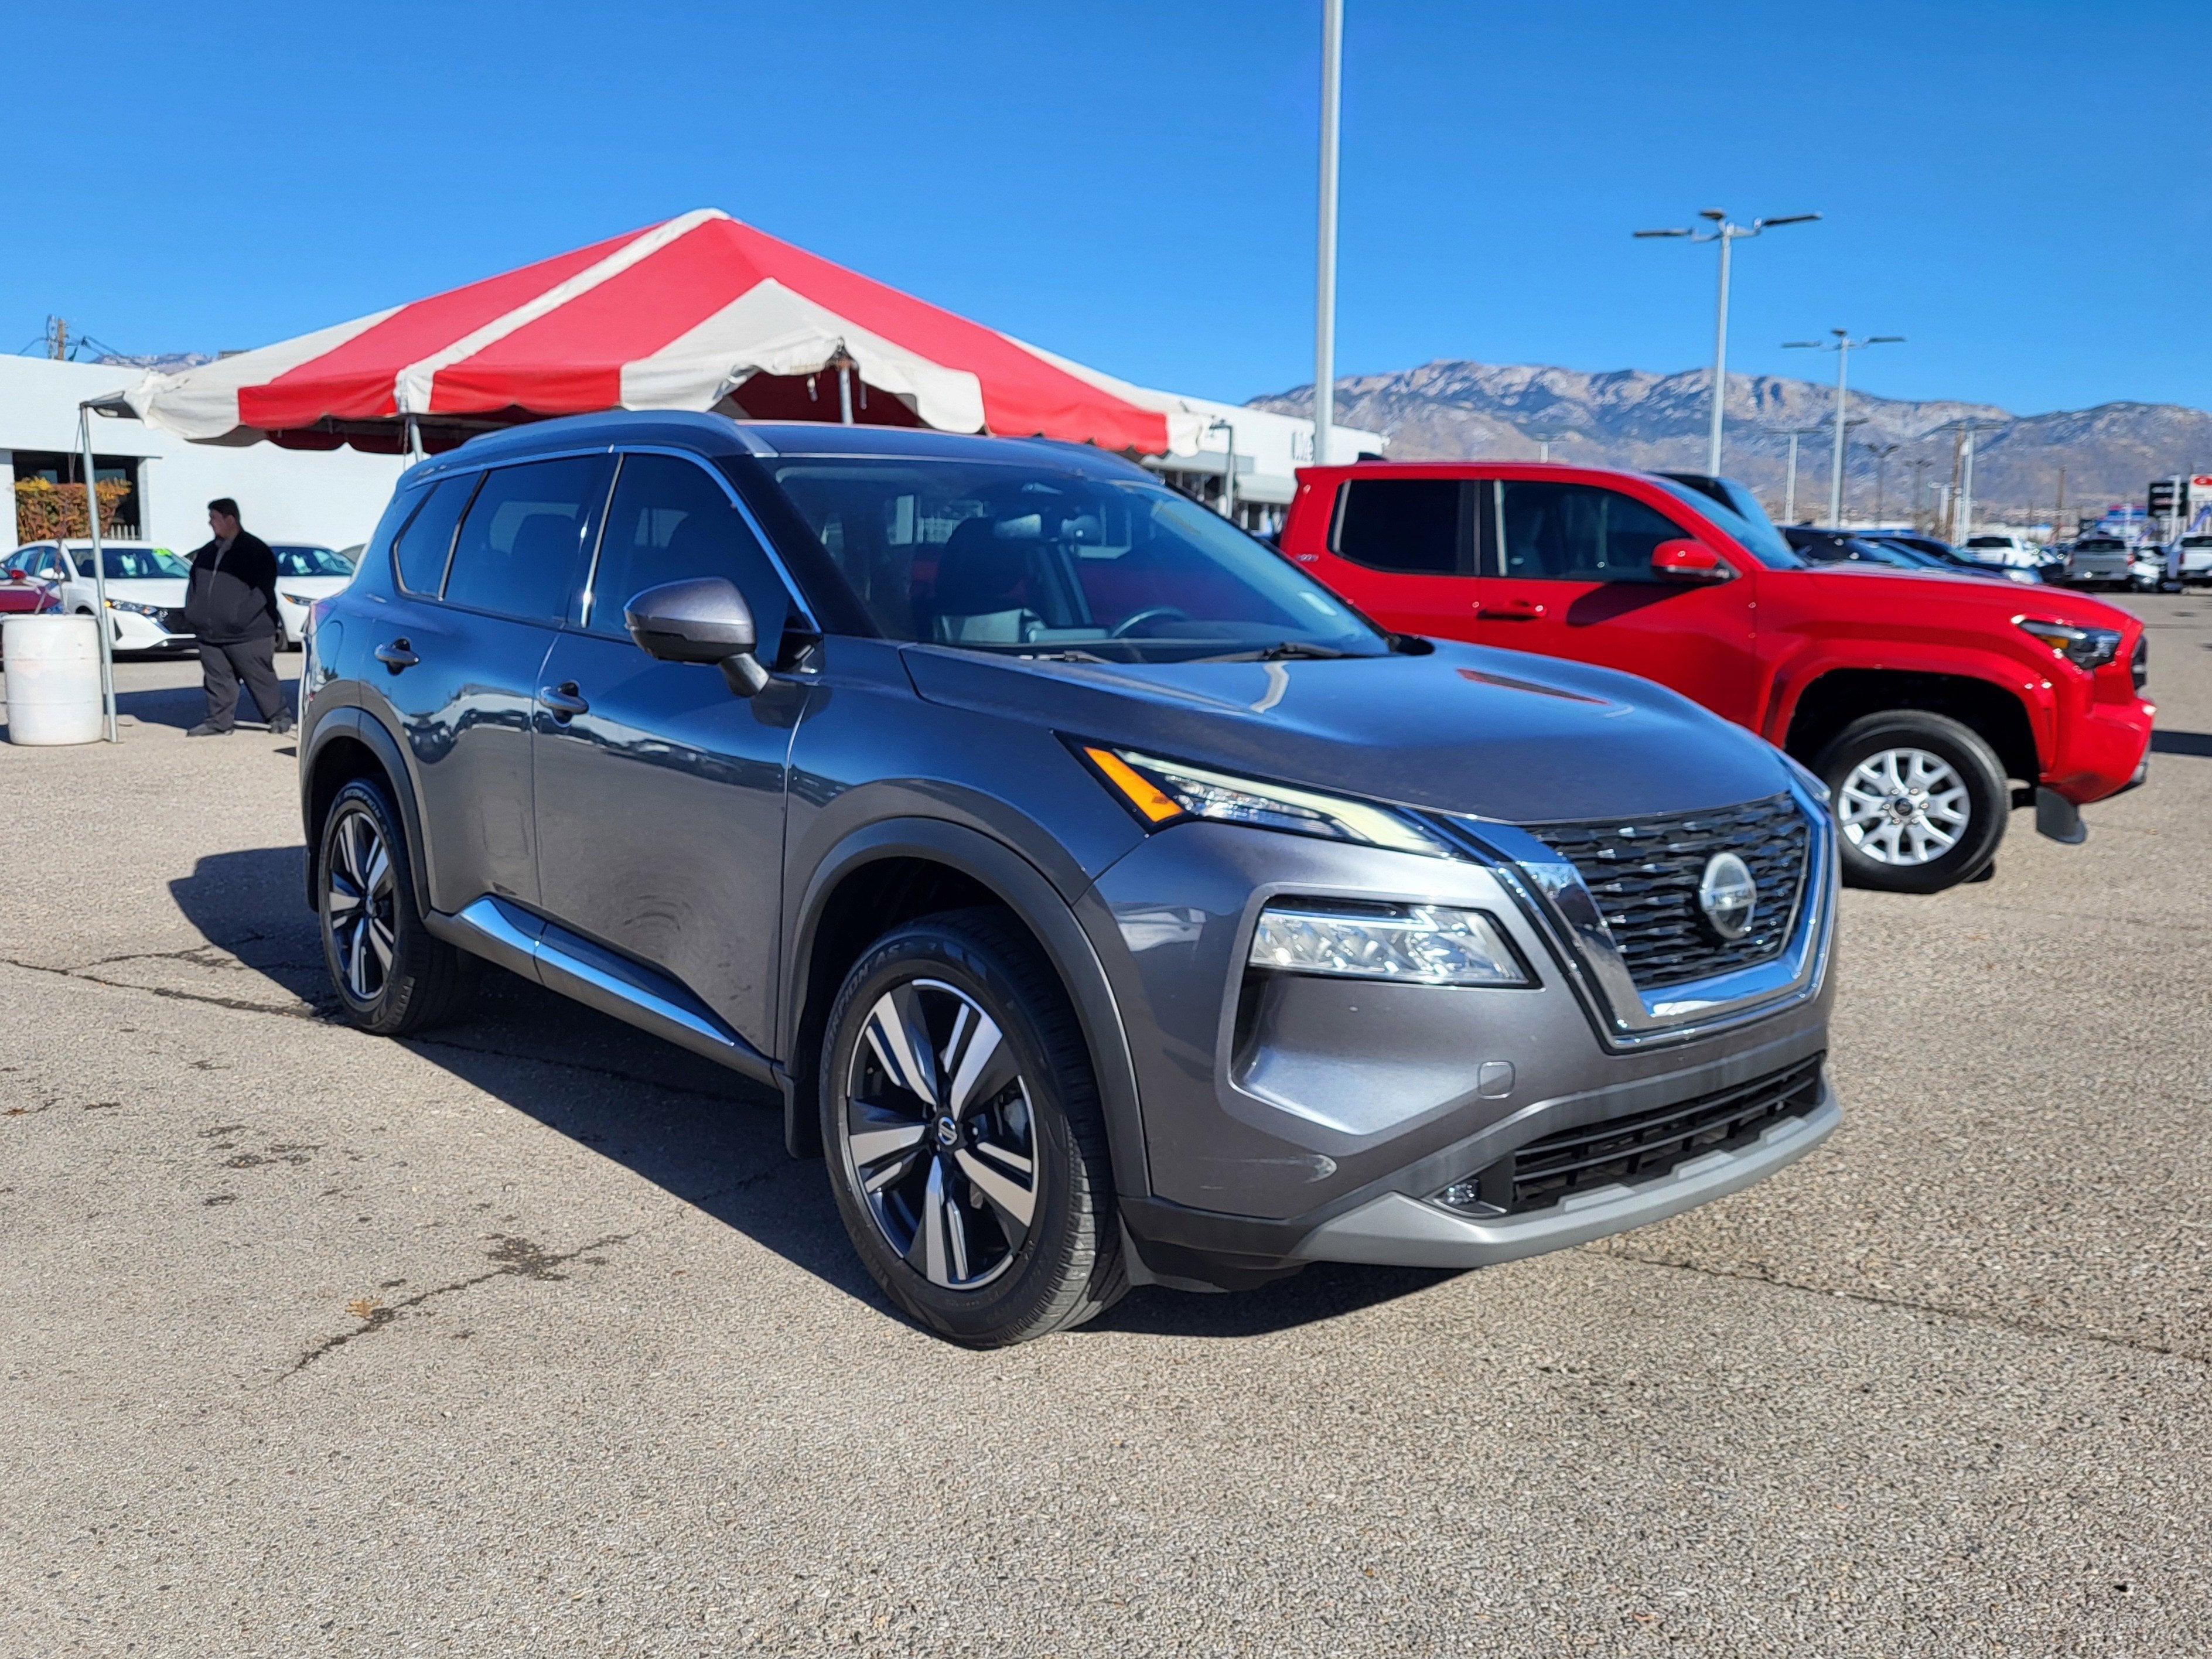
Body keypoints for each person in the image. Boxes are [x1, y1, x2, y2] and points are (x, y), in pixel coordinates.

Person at [182, 497, 291, 737]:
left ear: (230, 519)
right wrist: (194, 613)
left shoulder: (255, 550)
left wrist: (238, 618)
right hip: (211, 634)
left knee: (260, 678)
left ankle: (279, 717)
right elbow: (194, 584)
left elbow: (262, 591)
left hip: (249, 633)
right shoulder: (208, 552)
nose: (210, 523)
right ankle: (218, 722)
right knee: (217, 680)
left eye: (214, 518)